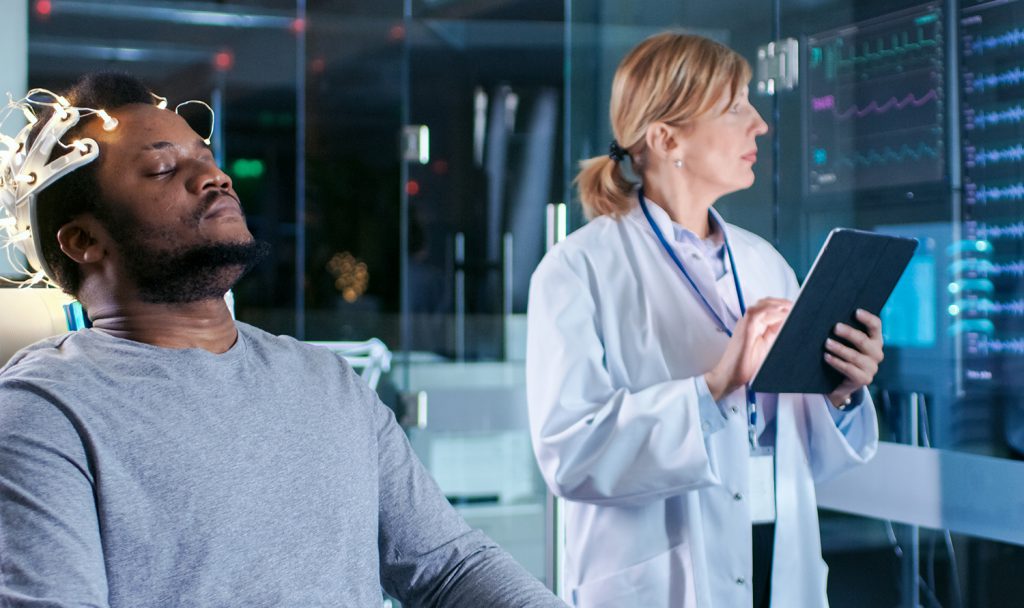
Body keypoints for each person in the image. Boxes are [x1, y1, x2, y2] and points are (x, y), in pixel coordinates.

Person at [0, 72, 565, 607]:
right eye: (163, 169)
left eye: (206, 157)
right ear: (82, 240)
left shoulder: (326, 380)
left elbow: (450, 568)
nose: (213, 177)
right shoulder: (45, 411)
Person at [526, 32, 882, 608]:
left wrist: (840, 391)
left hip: (774, 561)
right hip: (659, 583)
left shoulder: (765, 262)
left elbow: (807, 455)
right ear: (668, 138)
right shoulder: (577, 270)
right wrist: (715, 386)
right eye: (737, 106)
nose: (760, 125)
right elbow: (569, 457)